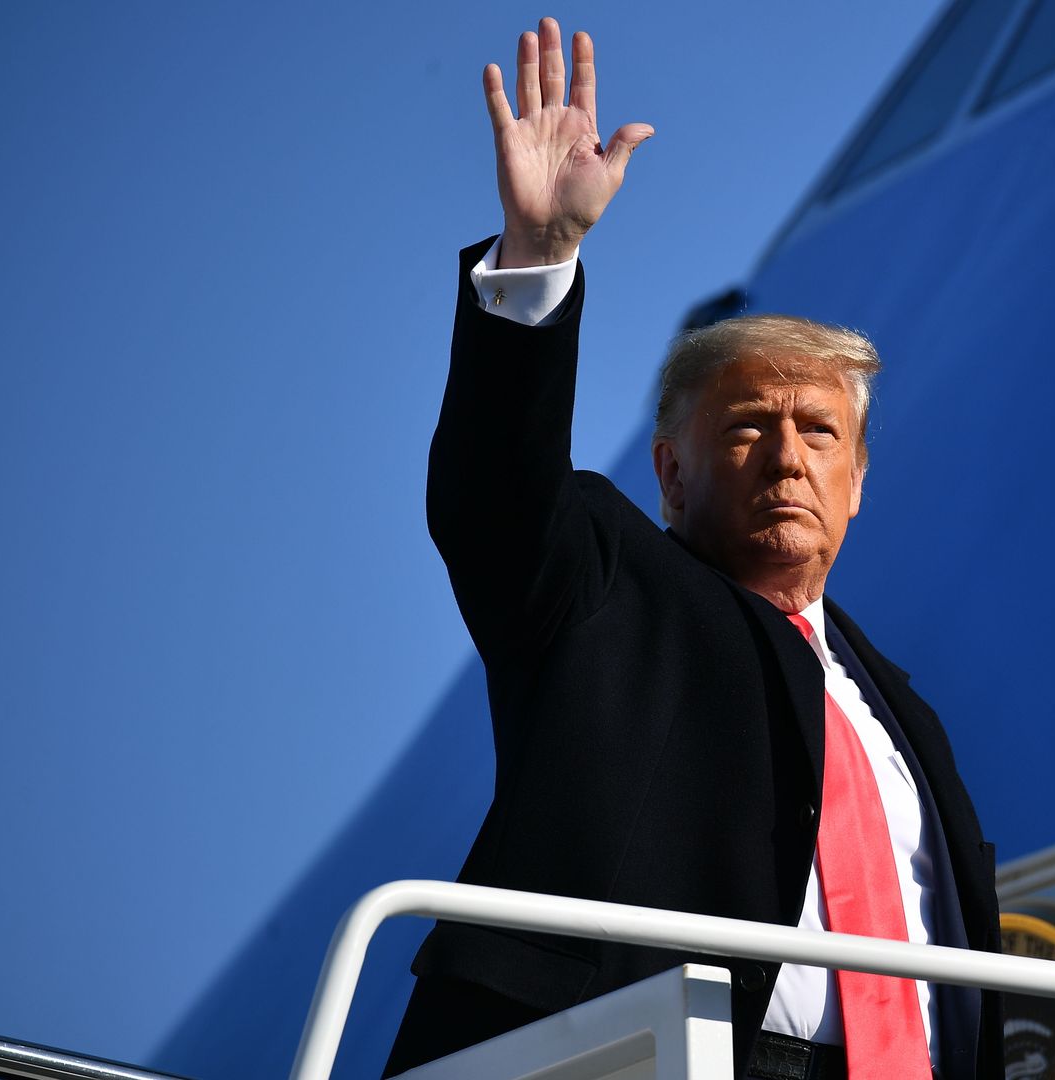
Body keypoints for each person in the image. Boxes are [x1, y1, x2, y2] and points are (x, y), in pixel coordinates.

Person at [382, 17, 1002, 1080]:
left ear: (857, 483)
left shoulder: (906, 715)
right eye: (748, 427)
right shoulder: (606, 586)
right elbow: (494, 498)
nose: (786, 458)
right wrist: (538, 256)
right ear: (669, 473)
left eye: (819, 434)